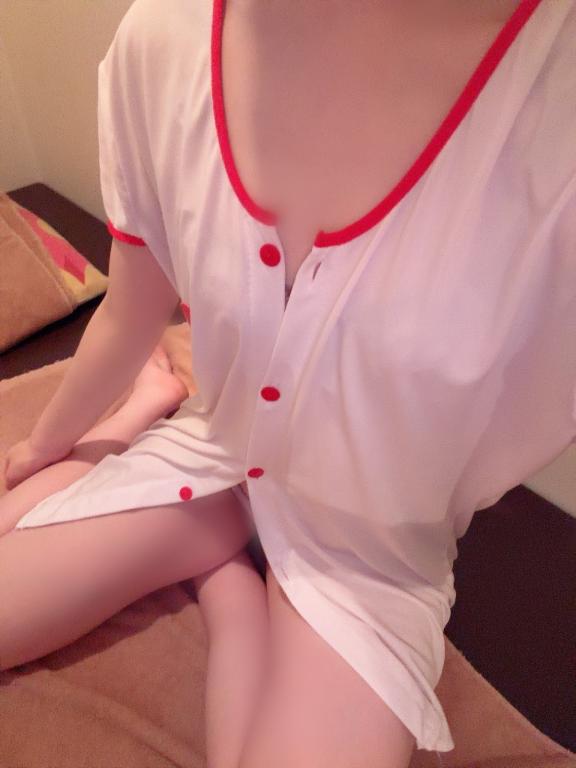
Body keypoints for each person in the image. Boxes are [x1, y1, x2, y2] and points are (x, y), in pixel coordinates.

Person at [2, 1, 576, 767]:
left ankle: (222, 576)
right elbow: (132, 305)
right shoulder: (165, 39)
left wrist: (231, 596)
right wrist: (45, 446)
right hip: (212, 450)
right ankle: (149, 419)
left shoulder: (554, 106)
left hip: (364, 552)